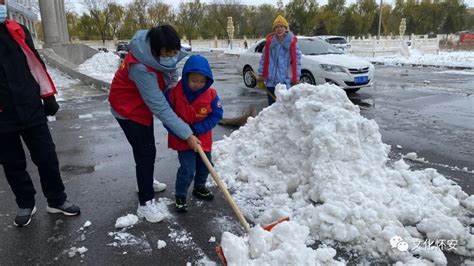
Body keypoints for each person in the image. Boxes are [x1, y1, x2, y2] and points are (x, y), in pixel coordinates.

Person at [108, 25, 201, 222]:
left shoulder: (162, 51)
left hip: (141, 104)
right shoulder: (140, 68)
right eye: (169, 53)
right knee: (145, 151)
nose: (173, 56)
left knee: (146, 148)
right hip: (127, 108)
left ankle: (146, 180)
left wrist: (176, 85)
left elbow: (171, 70)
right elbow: (160, 107)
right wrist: (187, 134)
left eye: (175, 52)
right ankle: (145, 203)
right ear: (156, 50)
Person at [0, 0, 80, 227]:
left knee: (47, 157)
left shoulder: (17, 29)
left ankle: (57, 200)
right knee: (13, 164)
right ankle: (26, 203)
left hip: (31, 107)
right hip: (2, 116)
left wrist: (48, 97)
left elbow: (35, 64)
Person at [166, 55, 223, 212]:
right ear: (186, 77)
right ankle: (180, 194)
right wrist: (182, 132)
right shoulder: (173, 94)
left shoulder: (211, 95)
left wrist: (198, 129)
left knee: (206, 165)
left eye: (202, 81)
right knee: (188, 169)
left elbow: (217, 115)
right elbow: (167, 117)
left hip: (203, 137)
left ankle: (199, 187)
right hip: (182, 139)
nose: (198, 84)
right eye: (194, 80)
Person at [257, 15, 302, 105]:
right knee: (272, 109)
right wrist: (261, 75)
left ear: (286, 28)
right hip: (271, 82)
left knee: (284, 110)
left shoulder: (292, 44)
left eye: (281, 26)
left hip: (285, 83)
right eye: (277, 27)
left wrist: (296, 78)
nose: (279, 29)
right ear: (274, 29)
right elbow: (263, 60)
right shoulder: (269, 44)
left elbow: (297, 63)